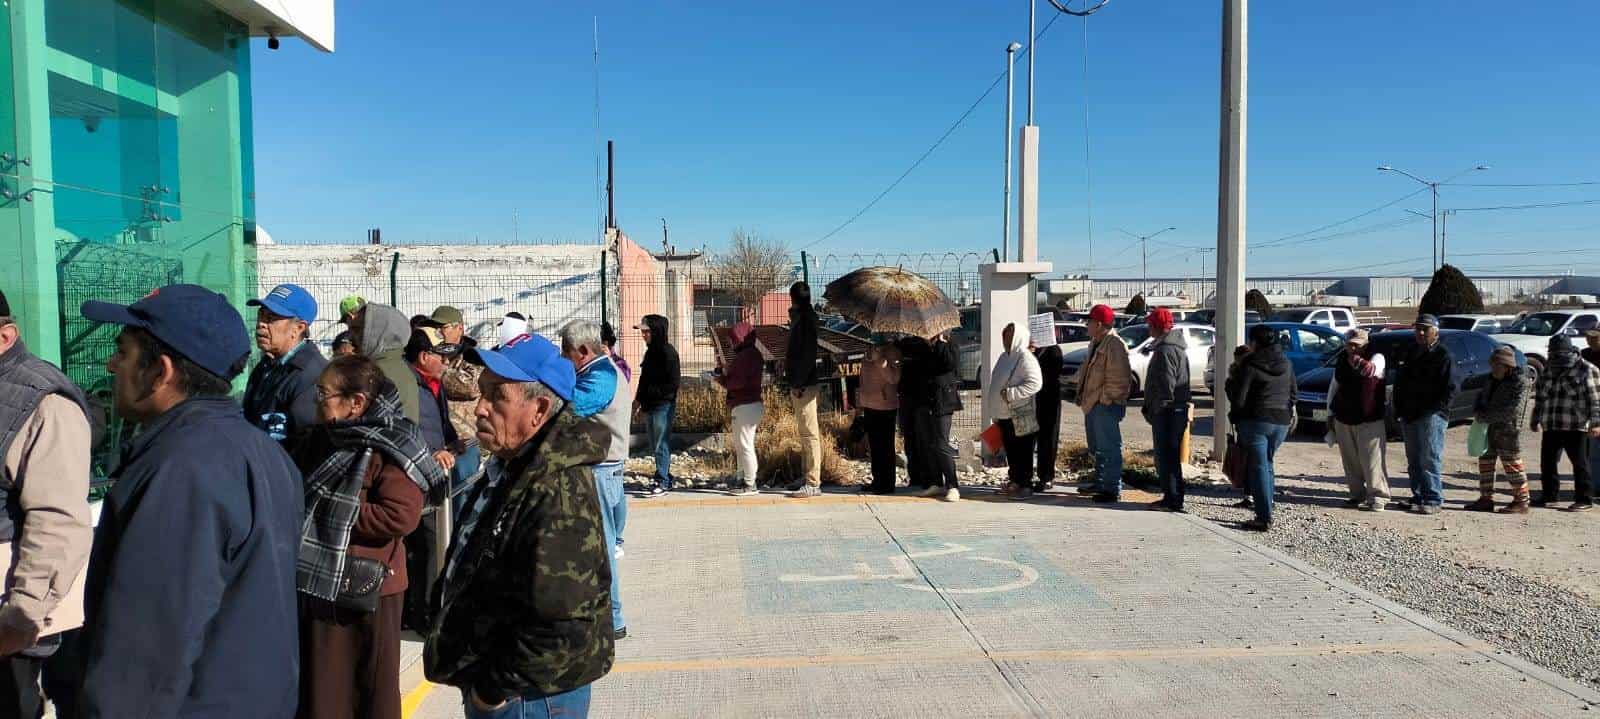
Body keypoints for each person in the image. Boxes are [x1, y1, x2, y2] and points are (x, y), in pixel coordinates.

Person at [75, 284, 301, 717]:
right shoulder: (258, 450)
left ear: (160, 371)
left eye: (122, 352)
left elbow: (144, 658)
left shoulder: (182, 470)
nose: (111, 364)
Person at [424, 333, 613, 718]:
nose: (480, 408)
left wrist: (492, 691)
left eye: (496, 396)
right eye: (482, 392)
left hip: (529, 698)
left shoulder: (556, 490)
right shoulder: (515, 466)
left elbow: (561, 625)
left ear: (539, 410)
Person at [292, 355, 441, 719]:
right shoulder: (328, 437)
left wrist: (335, 511)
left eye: (324, 393)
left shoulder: (390, 443)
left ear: (356, 403)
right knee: (325, 685)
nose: (316, 400)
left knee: (368, 686)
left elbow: (400, 515)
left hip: (367, 587)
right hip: (322, 579)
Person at [0, 290, 91, 719]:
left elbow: (56, 522)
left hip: (9, 623)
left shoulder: (44, 403)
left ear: (5, 336)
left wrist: (21, 619)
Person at [559, 320, 632, 639]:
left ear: (583, 351)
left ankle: (613, 618)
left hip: (601, 471)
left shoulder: (600, 376)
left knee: (600, 549)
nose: (565, 360)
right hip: (606, 470)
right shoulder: (603, 370)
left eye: (567, 354)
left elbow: (569, 410)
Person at [1227, 324, 1296, 532]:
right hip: (1281, 421)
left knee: (1258, 468)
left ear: (1254, 342)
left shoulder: (1250, 364)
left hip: (1255, 420)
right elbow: (1294, 393)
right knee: (1267, 463)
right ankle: (1268, 505)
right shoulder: (1287, 362)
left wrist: (1235, 411)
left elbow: (1239, 399)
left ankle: (1263, 517)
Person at [243, 283, 328, 451]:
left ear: (298, 328)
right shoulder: (266, 366)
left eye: (272, 318)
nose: (261, 324)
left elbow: (302, 446)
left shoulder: (311, 376)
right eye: (261, 315)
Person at [1392, 314, 1453, 515]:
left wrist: (1434, 410)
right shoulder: (1411, 352)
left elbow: (1450, 388)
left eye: (1425, 329)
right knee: (1414, 459)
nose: (1420, 332)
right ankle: (1418, 496)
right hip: (1409, 414)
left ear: (1435, 331)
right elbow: (1400, 383)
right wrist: (1399, 408)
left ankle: (1433, 499)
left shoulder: (1442, 355)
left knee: (1429, 458)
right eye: (1417, 328)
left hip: (1431, 415)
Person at [1531, 334, 1600, 511]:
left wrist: (1596, 423)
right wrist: (1535, 418)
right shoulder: (1548, 368)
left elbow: (1596, 399)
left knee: (1580, 463)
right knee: (1547, 462)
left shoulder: (1586, 369)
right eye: (1552, 353)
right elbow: (1540, 396)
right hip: (1551, 422)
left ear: (1570, 351)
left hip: (1575, 424)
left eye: (1559, 353)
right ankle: (1549, 496)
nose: (1555, 356)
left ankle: (1584, 499)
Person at [1326, 328, 1391, 512]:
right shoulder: (1341, 360)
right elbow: (1334, 387)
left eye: (1356, 345)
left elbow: (1371, 371)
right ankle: (1357, 495)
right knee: (1351, 462)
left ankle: (1378, 496)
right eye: (1349, 345)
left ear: (1365, 345)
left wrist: (1356, 360)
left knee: (1372, 461)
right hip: (1344, 417)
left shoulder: (1377, 357)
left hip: (1369, 418)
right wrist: (1330, 414)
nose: (1351, 348)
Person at [424, 306, 483, 498]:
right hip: (436, 443)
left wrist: (437, 370)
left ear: (460, 328)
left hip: (464, 441)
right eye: (435, 327)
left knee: (462, 497)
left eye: (443, 327)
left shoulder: (472, 356)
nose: (438, 331)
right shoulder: (433, 353)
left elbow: (470, 386)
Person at [1074, 304, 1131, 504]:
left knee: (1109, 447)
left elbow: (1120, 379)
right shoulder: (1096, 342)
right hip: (1093, 404)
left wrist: (1104, 400)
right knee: (1097, 447)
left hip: (1104, 405)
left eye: (1089, 321)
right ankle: (1100, 482)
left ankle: (1111, 488)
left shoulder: (1114, 344)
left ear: (1098, 324)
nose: (1086, 325)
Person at [1467, 346, 1533, 514]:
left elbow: (1514, 410)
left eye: (1497, 365)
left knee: (1512, 465)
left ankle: (1521, 501)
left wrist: (1485, 416)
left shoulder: (1521, 382)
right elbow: (1481, 396)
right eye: (1492, 365)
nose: (1493, 368)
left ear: (1507, 365)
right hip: (1487, 429)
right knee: (1485, 464)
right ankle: (1486, 498)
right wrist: (1477, 409)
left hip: (1508, 430)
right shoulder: (1491, 378)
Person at [896, 334, 960, 501]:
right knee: (927, 443)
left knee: (941, 443)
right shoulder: (920, 346)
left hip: (942, 400)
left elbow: (950, 365)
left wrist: (940, 344)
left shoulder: (949, 344)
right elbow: (917, 368)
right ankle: (935, 482)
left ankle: (952, 485)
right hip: (924, 399)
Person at [1141, 308, 1191, 512]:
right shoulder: (1174, 348)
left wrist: (1155, 409)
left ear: (1156, 326)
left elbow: (1165, 384)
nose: (1147, 328)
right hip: (1175, 409)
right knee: (1170, 456)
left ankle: (1172, 499)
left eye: (1149, 324)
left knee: (1166, 456)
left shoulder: (1165, 351)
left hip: (1168, 411)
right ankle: (1172, 496)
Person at [990, 323, 1043, 500]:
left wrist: (1012, 394)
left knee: (1023, 450)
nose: (1006, 339)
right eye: (1004, 335)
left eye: (1010, 336)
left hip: (1020, 413)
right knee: (1011, 450)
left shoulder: (1025, 357)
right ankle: (1015, 481)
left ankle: (1025, 485)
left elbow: (1035, 383)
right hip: (1005, 414)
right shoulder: (1005, 357)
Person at [783, 282, 823, 498]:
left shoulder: (805, 322)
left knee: (810, 434)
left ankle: (813, 482)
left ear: (793, 298)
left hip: (804, 384)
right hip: (801, 382)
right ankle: (807, 475)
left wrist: (798, 383)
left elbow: (806, 355)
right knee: (805, 433)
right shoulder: (802, 319)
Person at [715, 322, 765, 496]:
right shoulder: (751, 354)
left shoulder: (746, 356)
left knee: (744, 445)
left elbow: (737, 382)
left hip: (745, 405)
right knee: (742, 445)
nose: (731, 343)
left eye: (733, 339)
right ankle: (743, 479)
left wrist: (720, 379)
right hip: (749, 405)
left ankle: (749, 483)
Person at [634, 315, 679, 498]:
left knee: (661, 443)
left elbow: (673, 383)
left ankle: (662, 481)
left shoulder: (668, 353)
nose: (643, 335)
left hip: (663, 406)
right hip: (650, 406)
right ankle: (664, 475)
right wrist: (637, 402)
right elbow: (644, 380)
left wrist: (654, 396)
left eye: (646, 331)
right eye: (642, 332)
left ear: (656, 332)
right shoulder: (650, 353)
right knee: (654, 444)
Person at [355, 303, 422, 424]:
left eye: (358, 329)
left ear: (378, 334)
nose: (351, 336)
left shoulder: (377, 374)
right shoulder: (399, 367)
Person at [857, 336, 901, 495]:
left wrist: (880, 361)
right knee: (874, 446)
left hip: (885, 405)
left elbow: (894, 378)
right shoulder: (868, 350)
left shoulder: (892, 352)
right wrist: (860, 402)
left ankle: (887, 483)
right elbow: (862, 378)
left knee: (885, 446)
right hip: (869, 404)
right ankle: (877, 480)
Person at [1031, 336, 1064, 493]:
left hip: (1049, 399)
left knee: (1048, 439)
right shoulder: (1031, 351)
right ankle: (1027, 475)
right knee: (1030, 438)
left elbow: (1054, 371)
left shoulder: (1054, 350)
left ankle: (1046, 477)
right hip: (1033, 400)